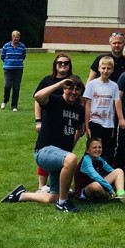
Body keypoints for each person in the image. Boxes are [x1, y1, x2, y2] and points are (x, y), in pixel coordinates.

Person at [1, 76, 86, 212]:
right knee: (71, 159)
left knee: (54, 197)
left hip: (60, 156)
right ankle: (63, 203)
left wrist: (71, 146)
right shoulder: (54, 100)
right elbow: (38, 96)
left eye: (77, 89)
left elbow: (80, 129)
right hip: (44, 152)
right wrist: (60, 83)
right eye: (70, 88)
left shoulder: (79, 109)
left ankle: (21, 195)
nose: (73, 92)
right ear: (64, 89)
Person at [33, 52, 75, 191]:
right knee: (46, 149)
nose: (63, 65)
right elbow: (37, 100)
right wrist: (38, 120)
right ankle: (42, 185)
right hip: (49, 121)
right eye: (60, 63)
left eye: (66, 63)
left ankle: (60, 185)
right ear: (55, 65)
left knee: (62, 152)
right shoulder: (48, 80)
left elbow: (80, 99)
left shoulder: (73, 81)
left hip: (66, 121)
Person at [83, 55, 123, 164]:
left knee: (107, 151)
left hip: (108, 124)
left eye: (109, 68)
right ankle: (88, 172)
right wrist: (86, 125)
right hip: (95, 122)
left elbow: (115, 104)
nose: (106, 71)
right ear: (99, 68)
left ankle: (105, 173)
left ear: (112, 70)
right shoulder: (92, 85)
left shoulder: (114, 86)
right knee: (93, 149)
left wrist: (115, 122)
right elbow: (88, 104)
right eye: (103, 68)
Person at [74, 137, 125, 203]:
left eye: (100, 147)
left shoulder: (99, 159)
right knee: (95, 185)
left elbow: (112, 171)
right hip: (84, 191)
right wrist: (110, 189)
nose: (98, 149)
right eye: (94, 147)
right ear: (87, 150)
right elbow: (95, 176)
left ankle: (121, 194)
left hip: (98, 185)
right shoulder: (86, 160)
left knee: (118, 171)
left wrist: (116, 181)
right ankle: (110, 196)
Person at [0, 30, 27, 111]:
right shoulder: (6, 46)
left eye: (18, 37)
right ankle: (5, 100)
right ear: (12, 37)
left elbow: (23, 56)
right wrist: (8, 63)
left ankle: (14, 105)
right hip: (8, 69)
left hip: (18, 69)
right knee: (7, 86)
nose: (17, 39)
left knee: (16, 88)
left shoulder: (22, 46)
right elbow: (2, 56)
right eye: (15, 37)